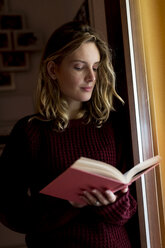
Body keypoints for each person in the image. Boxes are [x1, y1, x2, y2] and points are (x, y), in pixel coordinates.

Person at [0, 21, 137, 247]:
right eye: (79, 67)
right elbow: (9, 210)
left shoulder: (112, 127)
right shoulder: (30, 132)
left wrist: (110, 202)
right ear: (53, 70)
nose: (92, 78)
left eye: (95, 67)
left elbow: (128, 212)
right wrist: (67, 204)